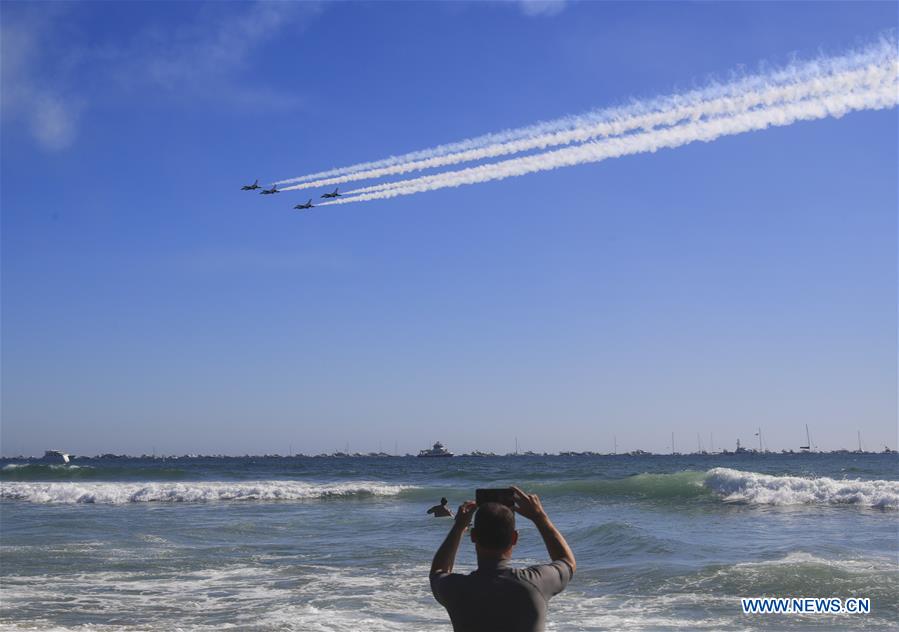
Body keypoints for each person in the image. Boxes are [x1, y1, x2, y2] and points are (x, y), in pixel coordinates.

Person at [429, 485, 576, 632]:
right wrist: (539, 517)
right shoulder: (534, 583)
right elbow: (567, 562)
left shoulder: (456, 589)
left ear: (473, 536)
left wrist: (459, 527)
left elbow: (438, 571)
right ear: (515, 538)